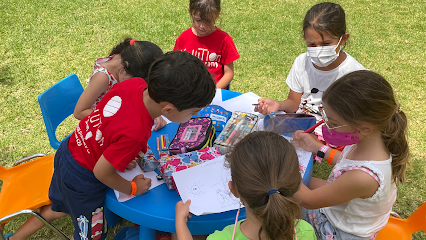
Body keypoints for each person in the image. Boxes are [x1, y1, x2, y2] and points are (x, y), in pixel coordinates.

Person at [7, 51, 216, 240]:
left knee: (62, 206)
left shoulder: (134, 84)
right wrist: (133, 188)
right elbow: (101, 172)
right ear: (168, 109)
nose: (193, 117)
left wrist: (120, 155)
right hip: (84, 178)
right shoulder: (135, 132)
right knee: (91, 235)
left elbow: (111, 122)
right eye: (192, 112)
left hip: (69, 150)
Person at [293, 70, 409, 239]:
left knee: (280, 204)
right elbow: (345, 163)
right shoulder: (371, 142)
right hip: (341, 211)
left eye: (333, 123)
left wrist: (282, 168)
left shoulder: (363, 178)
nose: (326, 125)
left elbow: (308, 200)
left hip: (336, 232)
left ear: (364, 128)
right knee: (302, 181)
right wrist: (317, 148)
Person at [175, 131, 317, 240]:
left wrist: (180, 222)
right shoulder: (304, 231)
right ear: (296, 183)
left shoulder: (219, 238)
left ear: (234, 190)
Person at [256, 2, 365, 135]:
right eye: (312, 44)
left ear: (343, 39)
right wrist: (278, 104)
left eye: (326, 44)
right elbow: (293, 103)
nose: (318, 50)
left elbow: (354, 124)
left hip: (331, 137)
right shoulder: (302, 62)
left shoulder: (356, 75)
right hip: (299, 128)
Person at [74, 38, 167, 130]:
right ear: (124, 68)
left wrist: (152, 112)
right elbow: (79, 112)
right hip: (100, 127)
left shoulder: (128, 59)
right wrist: (120, 118)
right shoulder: (103, 77)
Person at [173, 0, 240, 89]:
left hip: (215, 93)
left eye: (208, 21)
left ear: (217, 13)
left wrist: (212, 91)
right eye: (198, 20)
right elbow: (175, 68)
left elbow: (229, 73)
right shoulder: (183, 38)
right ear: (190, 11)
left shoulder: (224, 40)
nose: (202, 26)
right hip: (189, 93)